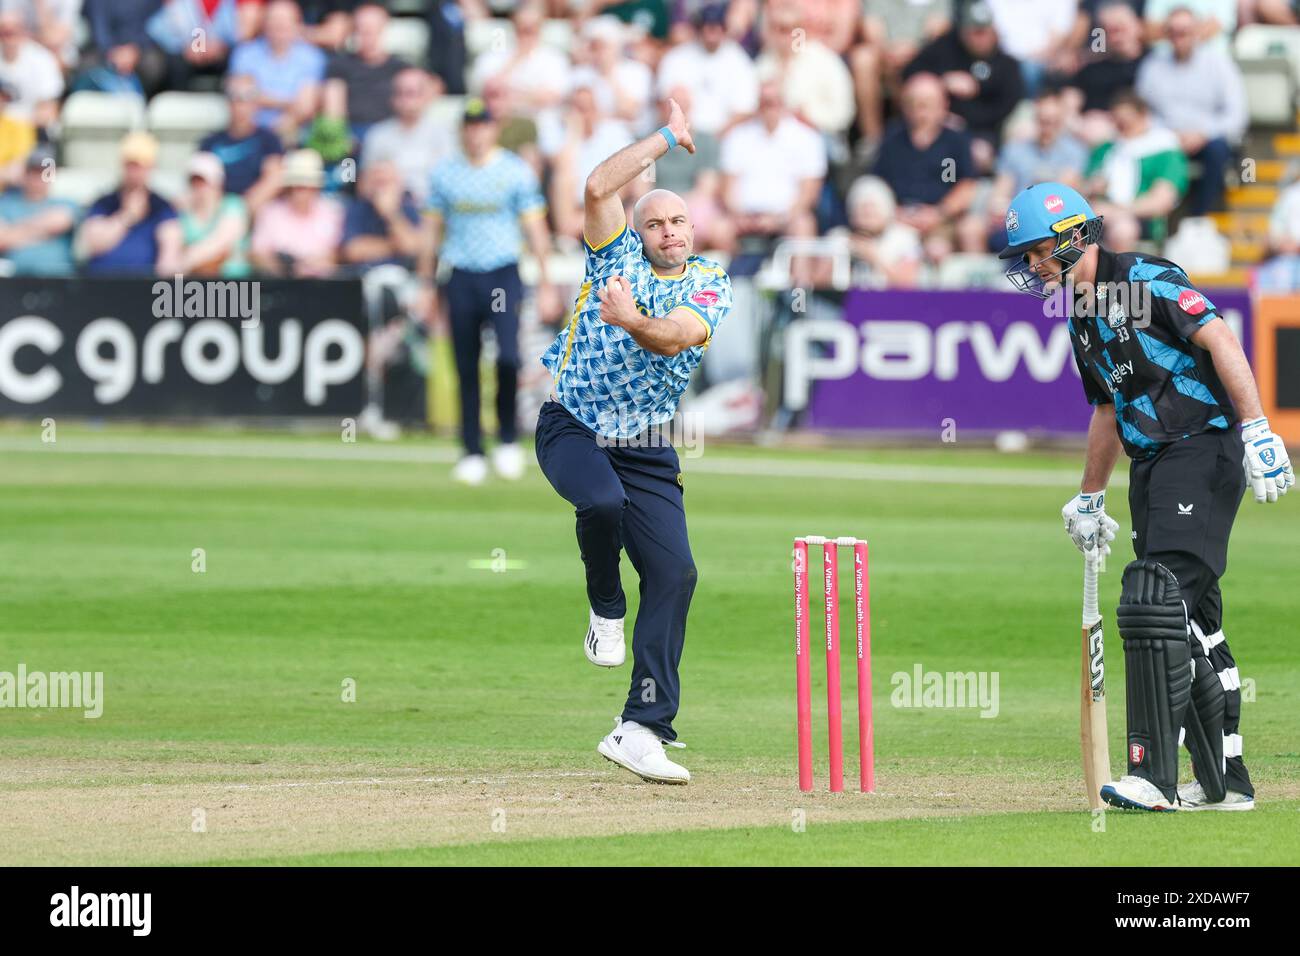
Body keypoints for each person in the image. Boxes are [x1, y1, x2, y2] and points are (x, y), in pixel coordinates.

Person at [999, 182, 1294, 812]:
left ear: (1071, 237)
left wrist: (1258, 428)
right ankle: (1226, 786)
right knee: (1196, 628)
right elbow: (1109, 405)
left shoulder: (1148, 280)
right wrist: (1088, 497)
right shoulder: (1079, 313)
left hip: (1202, 447)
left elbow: (1221, 340)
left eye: (1034, 253)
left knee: (1151, 596)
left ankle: (1152, 776)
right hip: (1151, 466)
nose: (1030, 267)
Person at [536, 98, 732, 785]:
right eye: (656, 222)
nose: (670, 232)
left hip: (648, 441)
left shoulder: (711, 282)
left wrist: (631, 319)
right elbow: (596, 186)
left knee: (677, 573)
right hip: (573, 423)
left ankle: (641, 726)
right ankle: (605, 607)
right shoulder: (613, 255)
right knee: (601, 504)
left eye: (679, 220)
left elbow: (675, 334)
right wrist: (665, 138)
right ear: (639, 231)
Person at [421, 98, 560, 485]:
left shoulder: (513, 171)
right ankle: (470, 449)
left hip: (502, 272)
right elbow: (432, 231)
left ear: (492, 129)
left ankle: (506, 439)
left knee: (509, 357)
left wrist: (546, 279)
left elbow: (534, 226)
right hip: (460, 272)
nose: (476, 131)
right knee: (466, 362)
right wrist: (426, 282)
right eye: (470, 124)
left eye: (482, 124)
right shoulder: (446, 173)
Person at [1134, 7, 1246, 215]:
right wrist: (1169, 134)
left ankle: (1199, 217)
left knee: (1218, 149)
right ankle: (1147, 221)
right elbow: (1141, 113)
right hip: (1165, 138)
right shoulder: (1152, 66)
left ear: (1196, 32)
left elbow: (1237, 115)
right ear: (1166, 34)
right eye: (1173, 32)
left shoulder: (1219, 63)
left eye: (1184, 31)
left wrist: (1203, 133)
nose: (1179, 38)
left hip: (1208, 139)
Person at [77, 132, 181, 275]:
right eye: (130, 165)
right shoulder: (104, 203)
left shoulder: (162, 207)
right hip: (101, 285)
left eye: (140, 166)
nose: (134, 172)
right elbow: (92, 244)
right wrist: (127, 217)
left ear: (151, 167)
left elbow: (169, 255)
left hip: (143, 289)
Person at [199, 74, 285, 216]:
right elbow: (201, 184)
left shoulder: (269, 140)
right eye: (234, 97)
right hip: (216, 212)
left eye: (247, 97)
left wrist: (240, 211)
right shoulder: (210, 142)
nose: (240, 105)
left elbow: (273, 179)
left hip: (254, 211)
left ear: (256, 103)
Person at [249, 148, 343, 276]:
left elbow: (339, 253)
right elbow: (258, 254)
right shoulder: (271, 212)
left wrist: (322, 261)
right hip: (282, 285)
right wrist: (285, 268)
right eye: (297, 186)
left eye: (306, 186)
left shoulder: (333, 212)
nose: (301, 191)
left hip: (323, 285)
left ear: (316, 187)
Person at [159, 151, 251, 277]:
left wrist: (184, 262)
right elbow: (167, 258)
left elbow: (221, 241)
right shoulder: (179, 213)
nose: (198, 187)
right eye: (194, 181)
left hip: (232, 288)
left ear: (218, 182)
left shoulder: (233, 205)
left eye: (203, 181)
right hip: (192, 288)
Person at [0, 146, 78, 276]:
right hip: (15, 281)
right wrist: (43, 231)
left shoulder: (65, 203)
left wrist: (15, 231)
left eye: (46, 171)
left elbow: (59, 221)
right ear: (25, 173)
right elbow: (2, 239)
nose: (40, 177)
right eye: (35, 171)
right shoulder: (7, 204)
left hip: (57, 280)